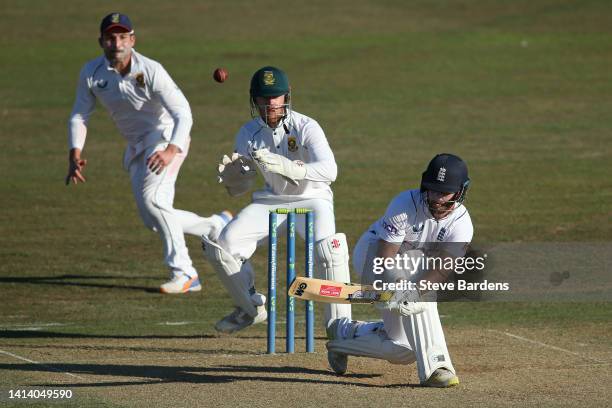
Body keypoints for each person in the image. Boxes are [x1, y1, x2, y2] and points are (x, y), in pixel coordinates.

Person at [65, 13, 231, 294]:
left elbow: (183, 113)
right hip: (136, 145)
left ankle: (186, 274)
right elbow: (80, 115)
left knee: (154, 201)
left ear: (132, 40)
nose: (116, 43)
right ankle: (215, 226)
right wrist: (74, 152)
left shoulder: (151, 70)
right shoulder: (92, 73)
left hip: (165, 138)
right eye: (110, 37)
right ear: (101, 41)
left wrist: (170, 150)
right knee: (153, 219)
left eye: (122, 37)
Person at [202, 66, 352, 334]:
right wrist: (234, 180)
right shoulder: (248, 133)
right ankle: (250, 307)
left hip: (313, 199)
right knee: (223, 245)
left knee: (330, 252)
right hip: (271, 201)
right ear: (254, 99)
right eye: (264, 97)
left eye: (276, 96)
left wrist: (289, 167)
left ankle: (340, 330)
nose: (271, 103)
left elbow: (331, 171)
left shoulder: (306, 126)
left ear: (286, 96)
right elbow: (239, 189)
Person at [325, 153, 473, 387]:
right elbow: (385, 256)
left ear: (460, 192)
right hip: (373, 256)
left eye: (444, 193)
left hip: (413, 269)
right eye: (433, 190)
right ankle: (437, 367)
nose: (436, 200)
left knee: (401, 350)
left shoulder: (462, 224)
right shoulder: (404, 203)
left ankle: (342, 336)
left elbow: (443, 268)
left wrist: (415, 292)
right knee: (417, 289)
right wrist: (397, 287)